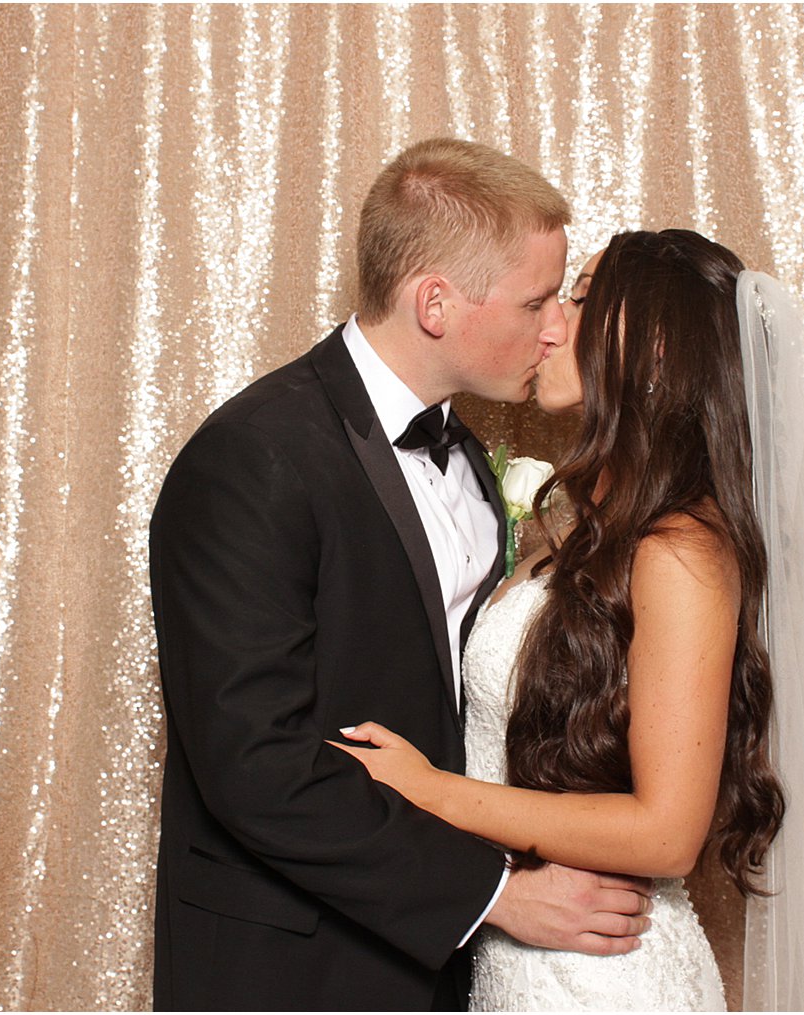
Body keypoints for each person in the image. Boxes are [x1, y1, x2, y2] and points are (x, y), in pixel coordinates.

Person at [337, 229, 804, 1010]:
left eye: (584, 298)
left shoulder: (681, 550)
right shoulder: (588, 526)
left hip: (609, 974)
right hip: (523, 959)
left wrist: (433, 792)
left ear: (654, 349)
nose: (550, 322)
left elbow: (667, 831)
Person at [148, 139, 655, 1012]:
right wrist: (495, 896)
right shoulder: (252, 457)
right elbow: (256, 764)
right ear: (434, 303)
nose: (554, 328)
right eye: (536, 300)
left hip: (447, 966)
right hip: (293, 967)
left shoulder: (471, 459)